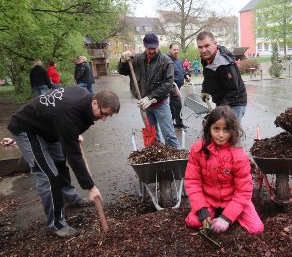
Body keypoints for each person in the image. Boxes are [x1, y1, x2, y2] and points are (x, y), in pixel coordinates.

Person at [8, 86, 120, 237]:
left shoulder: (84, 97)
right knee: (49, 176)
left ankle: (70, 198)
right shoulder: (69, 114)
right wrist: (90, 187)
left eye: (108, 116)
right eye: (104, 114)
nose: (104, 119)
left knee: (60, 162)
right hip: (28, 129)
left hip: (50, 128)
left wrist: (73, 133)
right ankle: (56, 224)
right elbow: (73, 155)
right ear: (94, 103)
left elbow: (69, 126)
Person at [184, 106, 264, 234]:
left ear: (232, 131)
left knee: (256, 228)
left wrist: (227, 217)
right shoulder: (198, 150)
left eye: (226, 130)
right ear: (209, 129)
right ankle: (214, 212)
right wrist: (201, 208)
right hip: (208, 199)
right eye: (216, 129)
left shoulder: (239, 157)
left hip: (233, 199)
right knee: (193, 221)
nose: (221, 135)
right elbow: (192, 181)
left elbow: (243, 191)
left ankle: (228, 214)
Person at [118, 33, 180, 148]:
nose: (152, 51)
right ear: (145, 47)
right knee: (152, 136)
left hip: (161, 104)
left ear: (158, 46)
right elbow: (123, 71)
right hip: (145, 106)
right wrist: (122, 61)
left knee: (169, 135)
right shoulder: (136, 59)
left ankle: (177, 161)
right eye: (149, 48)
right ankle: (157, 159)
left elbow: (168, 84)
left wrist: (150, 98)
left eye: (154, 48)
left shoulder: (166, 61)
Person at [197, 31, 247, 122]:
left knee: (229, 133)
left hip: (235, 103)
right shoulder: (206, 57)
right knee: (220, 130)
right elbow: (208, 75)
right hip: (221, 101)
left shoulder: (225, 64)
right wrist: (205, 90)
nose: (203, 50)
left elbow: (233, 91)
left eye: (207, 46)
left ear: (215, 44)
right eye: (200, 47)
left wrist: (219, 110)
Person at [168, 43, 191, 129]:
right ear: (170, 50)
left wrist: (186, 75)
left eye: (177, 50)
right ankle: (178, 122)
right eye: (174, 49)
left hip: (178, 85)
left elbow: (182, 70)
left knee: (172, 103)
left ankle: (171, 121)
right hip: (172, 85)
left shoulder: (178, 60)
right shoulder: (167, 60)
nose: (176, 51)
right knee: (178, 103)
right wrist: (172, 83)